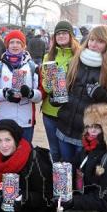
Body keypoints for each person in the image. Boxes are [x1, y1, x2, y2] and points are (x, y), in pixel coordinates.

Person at [56, 25, 107, 167]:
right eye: (91, 39)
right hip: (64, 127)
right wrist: (56, 98)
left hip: (89, 135)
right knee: (66, 169)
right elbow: (65, 90)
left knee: (83, 175)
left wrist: (102, 95)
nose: (93, 44)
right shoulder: (76, 61)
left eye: (100, 41)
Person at [39, 20, 81, 162]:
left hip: (69, 112)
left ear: (71, 35)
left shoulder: (78, 57)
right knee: (55, 152)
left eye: (64, 33)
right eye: (58, 34)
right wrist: (50, 83)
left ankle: (70, 183)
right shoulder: (48, 57)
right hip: (49, 111)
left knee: (68, 154)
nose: (61, 36)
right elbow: (46, 86)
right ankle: (57, 183)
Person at [0, 30, 42, 142]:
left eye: (18, 42)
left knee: (25, 154)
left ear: (23, 45)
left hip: (25, 120)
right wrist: (5, 93)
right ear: (7, 45)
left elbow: (40, 95)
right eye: (12, 42)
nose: (15, 45)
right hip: (3, 119)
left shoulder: (32, 67)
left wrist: (30, 93)